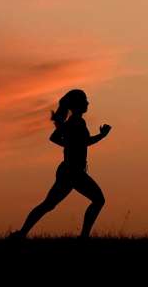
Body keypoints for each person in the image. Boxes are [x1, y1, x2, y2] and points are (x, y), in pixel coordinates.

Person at [10, 89, 111, 239]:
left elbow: (82, 143)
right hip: (72, 172)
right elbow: (56, 138)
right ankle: (83, 237)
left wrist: (99, 136)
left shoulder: (79, 121)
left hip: (72, 171)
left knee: (49, 204)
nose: (88, 103)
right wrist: (72, 145)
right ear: (78, 104)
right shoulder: (74, 122)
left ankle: (21, 234)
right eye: (85, 100)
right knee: (98, 200)